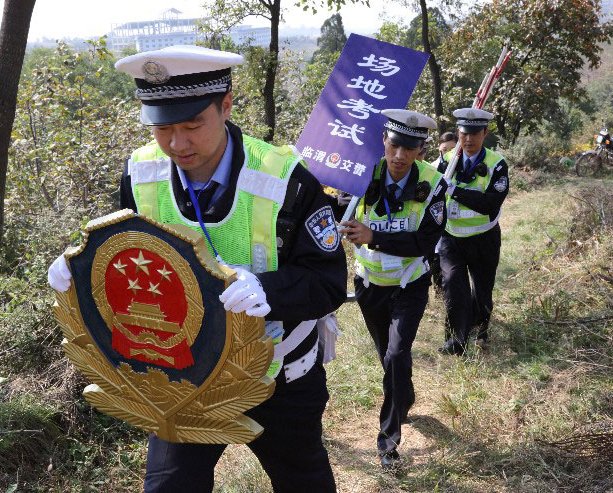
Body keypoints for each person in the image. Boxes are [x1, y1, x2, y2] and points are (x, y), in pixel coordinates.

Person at [47, 45, 347, 492]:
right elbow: (130, 255)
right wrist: (82, 271)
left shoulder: (284, 178)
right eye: (163, 127)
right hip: (184, 378)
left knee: (303, 480)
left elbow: (328, 281)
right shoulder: (140, 172)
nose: (177, 144)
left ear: (225, 106)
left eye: (193, 124)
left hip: (280, 374)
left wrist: (266, 288)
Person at [336, 109, 447, 470]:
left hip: (409, 285)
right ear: (384, 139)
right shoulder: (358, 174)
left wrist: (374, 237)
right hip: (370, 286)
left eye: (409, 148)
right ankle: (405, 396)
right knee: (388, 355)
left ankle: (388, 442)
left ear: (421, 149)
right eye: (394, 145)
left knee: (397, 355)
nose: (399, 156)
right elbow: (332, 213)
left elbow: (425, 241)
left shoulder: (435, 184)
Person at [436, 108, 508, 355]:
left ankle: (481, 332)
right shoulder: (445, 163)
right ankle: (456, 340)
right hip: (451, 237)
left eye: (475, 133)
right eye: (464, 133)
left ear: (485, 133)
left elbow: (490, 203)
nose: (469, 139)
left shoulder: (496, 164)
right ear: (458, 133)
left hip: (484, 238)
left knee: (482, 289)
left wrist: (453, 190)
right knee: (453, 286)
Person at [428, 131, 458, 293]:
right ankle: (438, 294)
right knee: (434, 260)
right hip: (435, 220)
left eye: (453, 149)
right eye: (445, 149)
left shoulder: (462, 169)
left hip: (454, 223)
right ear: (439, 148)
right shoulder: (431, 168)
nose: (449, 154)